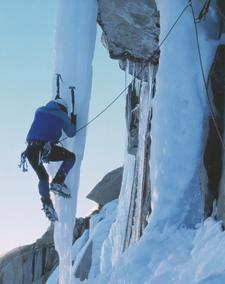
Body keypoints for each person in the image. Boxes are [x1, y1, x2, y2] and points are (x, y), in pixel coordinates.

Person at [24, 98, 76, 222]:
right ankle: (58, 181)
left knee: (43, 176)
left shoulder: (39, 110)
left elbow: (44, 126)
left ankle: (46, 202)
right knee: (70, 157)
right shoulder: (62, 115)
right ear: (63, 108)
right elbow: (71, 133)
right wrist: (72, 120)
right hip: (43, 149)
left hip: (30, 150)